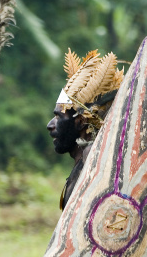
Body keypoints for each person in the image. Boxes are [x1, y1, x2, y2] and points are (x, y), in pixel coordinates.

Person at [47, 49, 124, 211]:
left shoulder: (92, 157)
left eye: (58, 117)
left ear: (81, 122)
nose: (50, 124)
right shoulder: (85, 160)